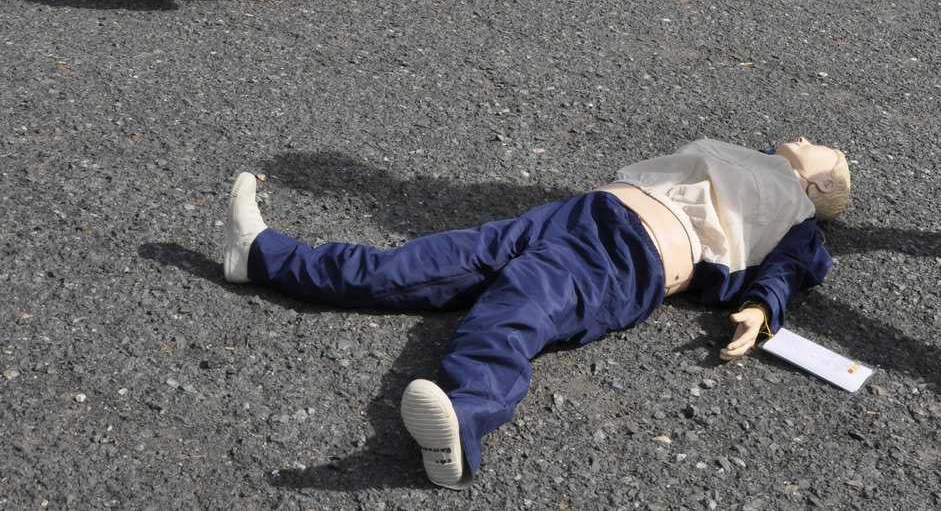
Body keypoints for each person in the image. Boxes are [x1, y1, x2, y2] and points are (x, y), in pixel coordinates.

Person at [220, 137, 853, 489]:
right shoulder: (750, 155)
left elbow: (790, 271)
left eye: (823, 149)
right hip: (576, 214)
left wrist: (759, 310)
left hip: (631, 257)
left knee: (511, 316)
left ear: (821, 188)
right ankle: (261, 256)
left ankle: (461, 427)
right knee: (411, 265)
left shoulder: (798, 216)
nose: (808, 138)